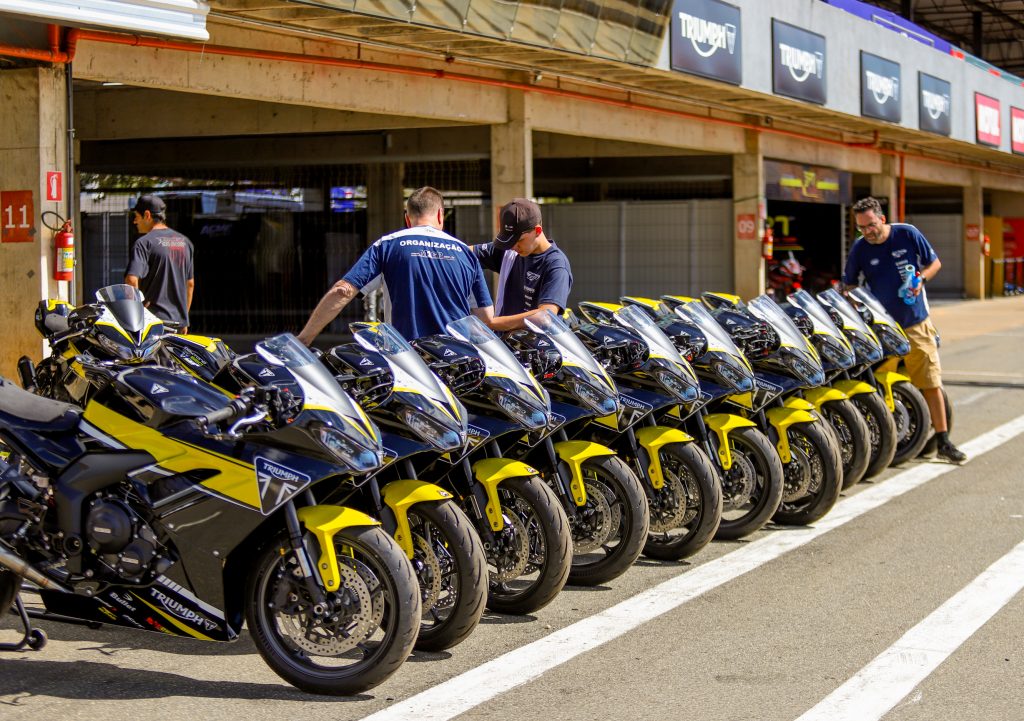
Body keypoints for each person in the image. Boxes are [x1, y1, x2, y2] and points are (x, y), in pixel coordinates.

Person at [842, 196, 966, 464]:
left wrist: (921, 280)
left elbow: (934, 263)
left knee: (930, 382)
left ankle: (943, 441)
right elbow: (849, 285)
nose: (867, 232)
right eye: (861, 227)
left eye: (871, 225)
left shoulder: (907, 234)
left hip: (915, 323)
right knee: (873, 381)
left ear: (882, 219)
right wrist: (853, 303)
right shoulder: (860, 248)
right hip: (882, 328)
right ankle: (879, 440)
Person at [298, 186, 493, 344]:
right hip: (457, 361)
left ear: (407, 218)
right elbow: (485, 317)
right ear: (441, 215)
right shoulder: (466, 253)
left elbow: (343, 291)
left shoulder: (388, 245)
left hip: (409, 359)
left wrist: (304, 339)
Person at [474, 198, 573, 331]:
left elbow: (546, 315)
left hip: (537, 343)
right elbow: (460, 253)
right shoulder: (509, 250)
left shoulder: (556, 264)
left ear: (537, 231)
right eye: (508, 241)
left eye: (519, 240)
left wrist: (491, 323)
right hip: (504, 341)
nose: (513, 246)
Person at [125, 194, 195, 334]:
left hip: (152, 323)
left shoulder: (144, 243)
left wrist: (136, 316)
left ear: (147, 215)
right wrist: (184, 319)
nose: (134, 221)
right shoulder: (185, 242)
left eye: (136, 216)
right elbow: (190, 284)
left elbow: (131, 280)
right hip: (178, 323)